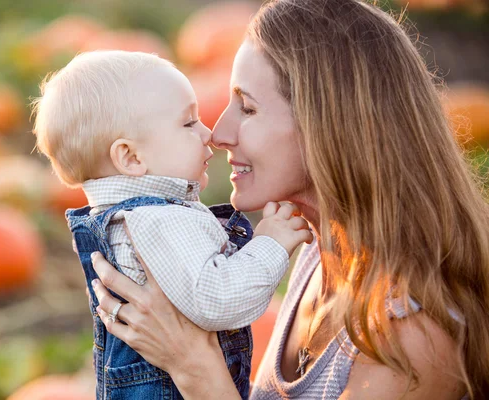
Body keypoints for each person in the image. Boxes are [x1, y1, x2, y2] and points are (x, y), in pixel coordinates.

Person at [88, 0, 489, 399]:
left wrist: (192, 364)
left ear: (328, 126)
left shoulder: (412, 340)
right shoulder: (320, 251)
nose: (219, 132)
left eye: (247, 108)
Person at [31, 50, 313, 399]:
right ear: (132, 157)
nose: (209, 132)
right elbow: (220, 300)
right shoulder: (159, 220)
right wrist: (270, 243)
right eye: (188, 123)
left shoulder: (130, 220)